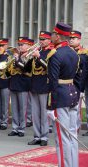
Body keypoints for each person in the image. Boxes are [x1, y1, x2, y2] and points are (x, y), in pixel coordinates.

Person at [47, 22, 80, 167]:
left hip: (60, 96)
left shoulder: (55, 54)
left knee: (62, 138)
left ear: (59, 36)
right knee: (72, 135)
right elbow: (78, 78)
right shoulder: (74, 53)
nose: (52, 36)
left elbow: (53, 81)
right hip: (73, 94)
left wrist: (50, 106)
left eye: (53, 34)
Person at [26, 31, 53, 146]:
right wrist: (28, 57)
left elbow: (50, 68)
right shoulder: (38, 52)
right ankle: (37, 136)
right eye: (40, 39)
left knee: (43, 113)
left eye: (43, 39)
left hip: (44, 84)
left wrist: (38, 57)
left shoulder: (51, 52)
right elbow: (27, 69)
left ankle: (44, 137)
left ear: (49, 40)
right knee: (35, 113)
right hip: (34, 84)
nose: (41, 41)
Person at [69, 30, 88, 136]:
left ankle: (75, 129)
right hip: (68, 83)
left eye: (74, 38)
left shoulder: (84, 53)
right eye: (70, 38)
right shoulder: (68, 51)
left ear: (79, 40)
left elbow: (84, 71)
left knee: (76, 109)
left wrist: (81, 88)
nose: (71, 40)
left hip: (79, 84)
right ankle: (71, 129)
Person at [0, 38, 10, 130]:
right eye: (0, 45)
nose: (1, 47)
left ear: (6, 46)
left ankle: (4, 122)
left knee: (4, 103)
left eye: (3, 45)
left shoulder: (9, 56)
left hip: (5, 82)